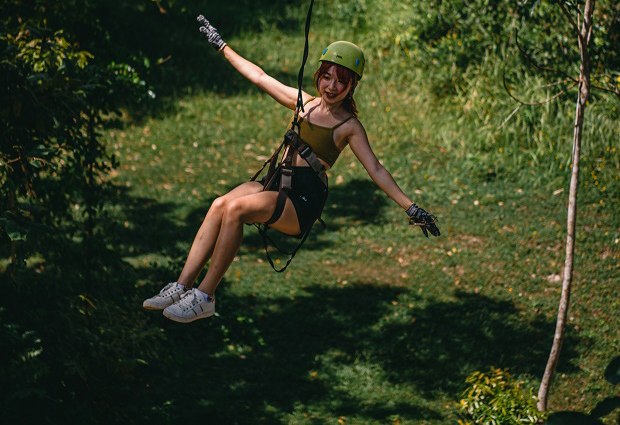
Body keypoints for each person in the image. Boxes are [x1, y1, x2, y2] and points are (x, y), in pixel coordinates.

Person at [141, 16, 440, 323]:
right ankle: (181, 286)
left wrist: (411, 208)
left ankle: (205, 297)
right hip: (275, 185)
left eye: (341, 81)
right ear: (318, 76)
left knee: (236, 211)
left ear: (352, 87)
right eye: (327, 77)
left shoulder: (348, 127)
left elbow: (376, 169)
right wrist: (222, 46)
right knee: (220, 205)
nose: (332, 86)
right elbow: (259, 77)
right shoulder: (304, 104)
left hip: (299, 203)